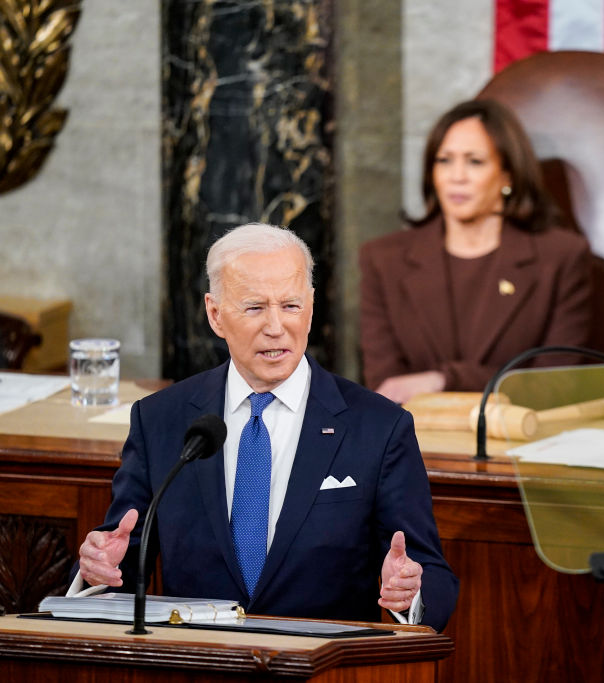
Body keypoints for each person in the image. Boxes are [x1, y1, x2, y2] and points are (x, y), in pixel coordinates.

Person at [73, 223, 458, 631]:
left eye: (290, 305)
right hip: (200, 665)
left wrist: (410, 591)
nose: (276, 326)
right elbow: (121, 557)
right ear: (215, 314)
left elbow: (429, 571)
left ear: (311, 306)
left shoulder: (379, 427)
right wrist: (98, 572)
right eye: (255, 307)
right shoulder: (160, 421)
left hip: (324, 668)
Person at [359, 99, 593, 404]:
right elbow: (388, 387)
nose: (457, 176)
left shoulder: (560, 257)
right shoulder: (383, 259)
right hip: (416, 441)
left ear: (507, 175)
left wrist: (443, 380)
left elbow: (555, 386)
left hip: (519, 441)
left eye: (475, 162)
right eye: (444, 160)